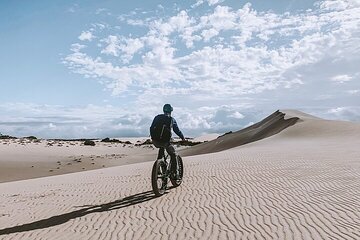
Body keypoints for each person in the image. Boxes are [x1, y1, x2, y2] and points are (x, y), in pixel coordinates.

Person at [150, 104, 185, 180]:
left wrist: (153, 138)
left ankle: (158, 165)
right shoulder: (172, 119)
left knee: (161, 148)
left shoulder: (157, 117)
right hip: (166, 142)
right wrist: (182, 137)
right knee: (173, 154)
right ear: (171, 111)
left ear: (163, 110)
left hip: (155, 141)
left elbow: (151, 127)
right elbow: (177, 130)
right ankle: (174, 173)